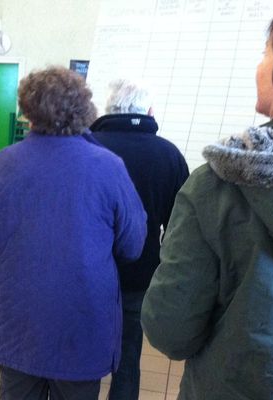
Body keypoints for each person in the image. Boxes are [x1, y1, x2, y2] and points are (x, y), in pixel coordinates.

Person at [0, 66, 147, 400]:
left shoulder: (4, 162)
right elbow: (133, 244)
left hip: (14, 317)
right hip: (79, 317)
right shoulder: (108, 166)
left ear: (28, 111)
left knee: (17, 391)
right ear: (84, 110)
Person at [141, 15, 273, 400]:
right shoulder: (173, 158)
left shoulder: (220, 183)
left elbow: (171, 329)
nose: (258, 66)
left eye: (265, 53)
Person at [90, 79, 189, 400]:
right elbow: (180, 227)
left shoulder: (88, 147)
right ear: (148, 111)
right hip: (141, 272)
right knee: (128, 354)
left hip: (88, 273)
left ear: (108, 110)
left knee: (83, 354)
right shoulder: (170, 155)